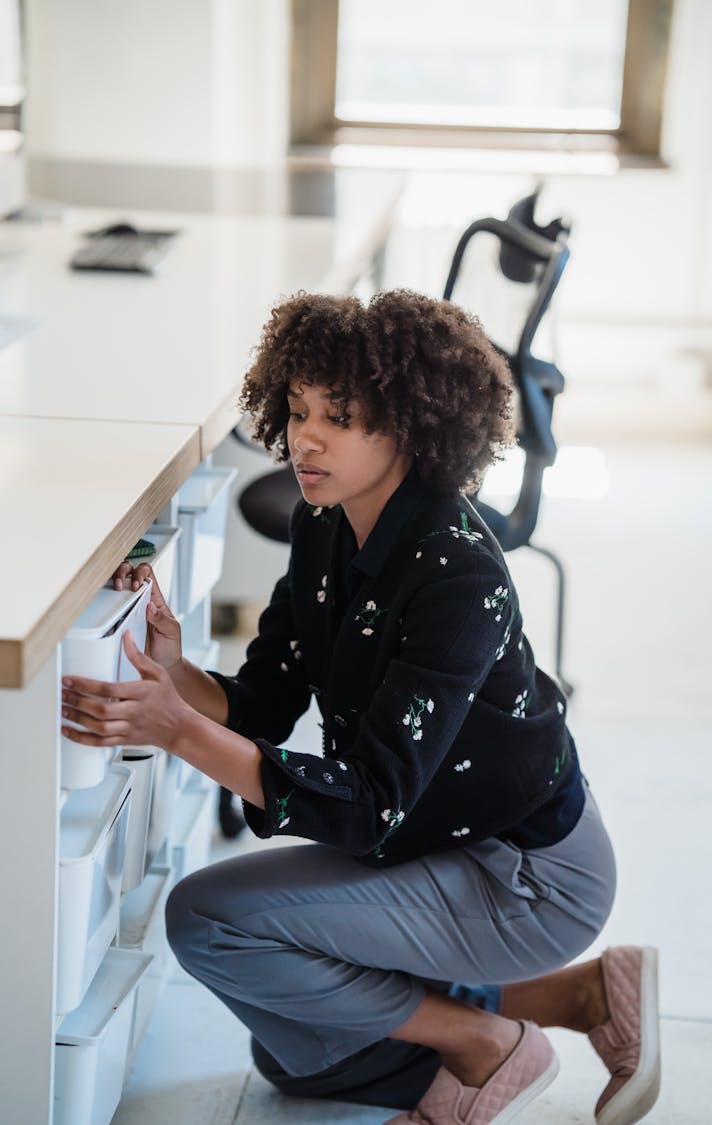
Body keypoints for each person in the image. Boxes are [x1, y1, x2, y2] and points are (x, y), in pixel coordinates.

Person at [60, 290, 660, 1125]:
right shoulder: (326, 525)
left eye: (338, 418)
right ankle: (583, 994)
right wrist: (175, 669)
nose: (304, 438)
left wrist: (179, 730)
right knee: (306, 1054)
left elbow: (368, 802)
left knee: (211, 926)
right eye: (298, 409)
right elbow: (264, 699)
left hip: (528, 875)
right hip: (435, 836)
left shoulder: (459, 575)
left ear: (411, 427)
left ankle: (486, 1043)